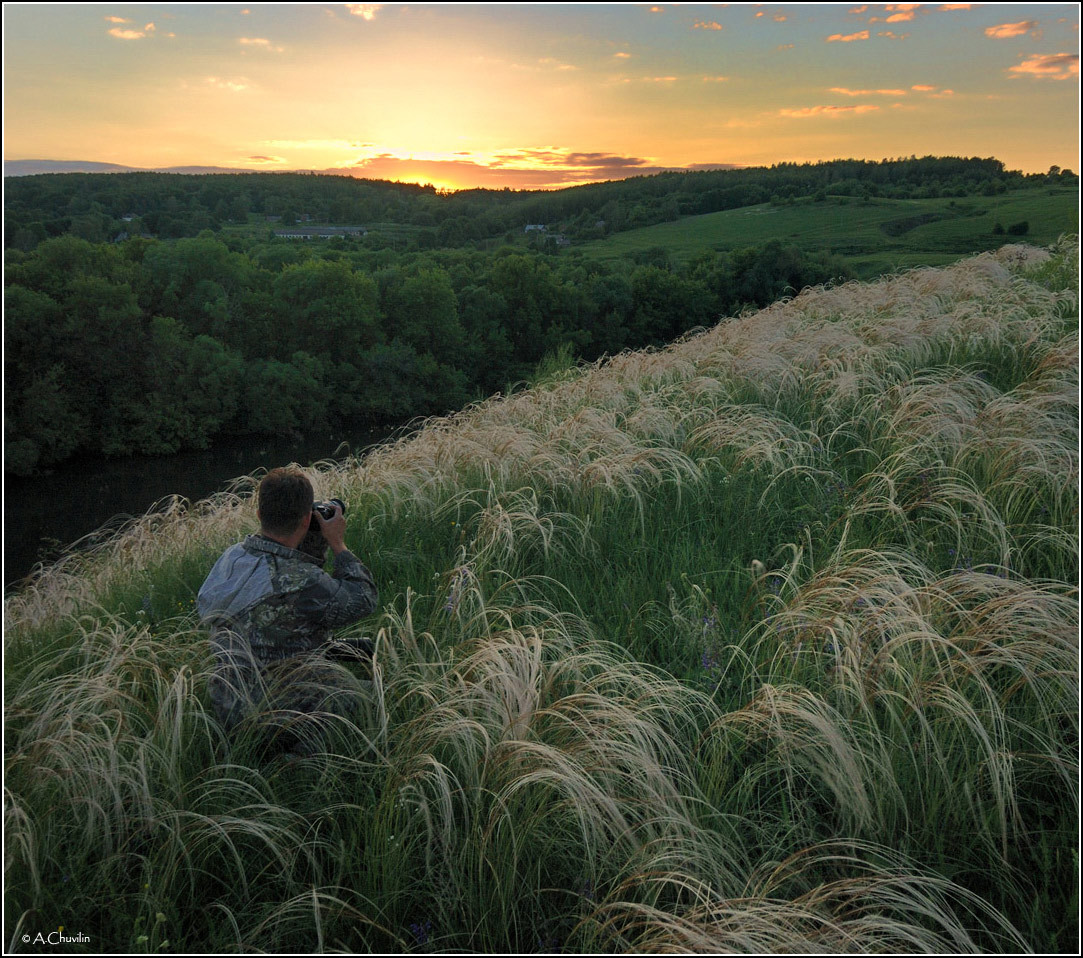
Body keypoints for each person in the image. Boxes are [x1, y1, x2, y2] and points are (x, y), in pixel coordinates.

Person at [197, 467, 378, 755]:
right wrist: (337, 543)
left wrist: (311, 538)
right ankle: (299, 759)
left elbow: (292, 581)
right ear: (307, 519)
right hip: (270, 715)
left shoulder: (232, 557)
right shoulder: (300, 579)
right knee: (371, 695)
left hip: (228, 705)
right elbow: (363, 599)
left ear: (259, 514)